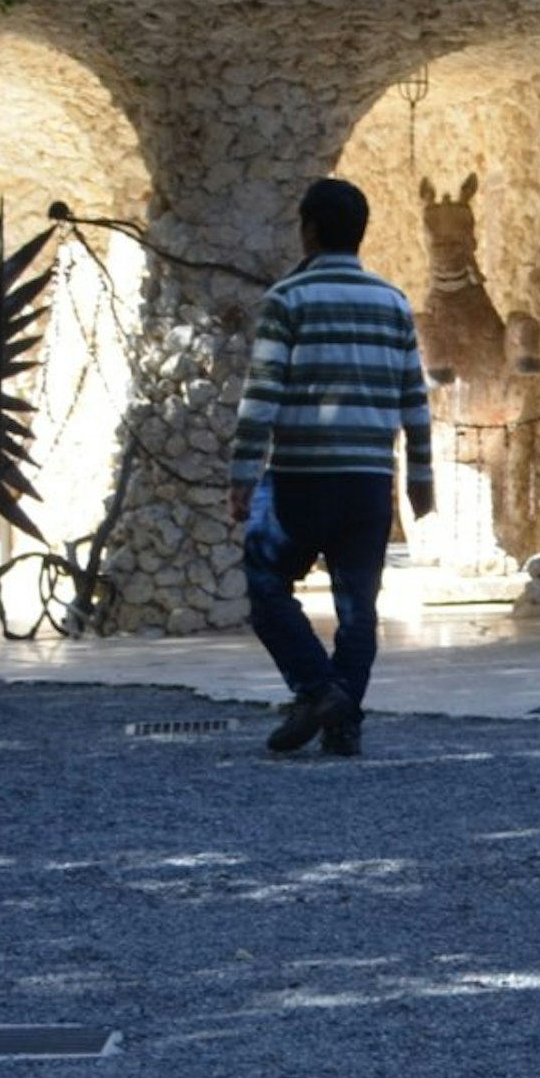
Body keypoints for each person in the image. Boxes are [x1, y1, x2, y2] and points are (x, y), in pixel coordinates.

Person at [227, 176, 433, 758]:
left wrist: (243, 475)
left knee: (267, 587)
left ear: (309, 229)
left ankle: (319, 690)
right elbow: (414, 397)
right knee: (357, 607)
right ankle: (344, 722)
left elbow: (262, 393)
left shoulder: (287, 300)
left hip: (298, 476)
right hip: (369, 480)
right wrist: (421, 480)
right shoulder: (392, 303)